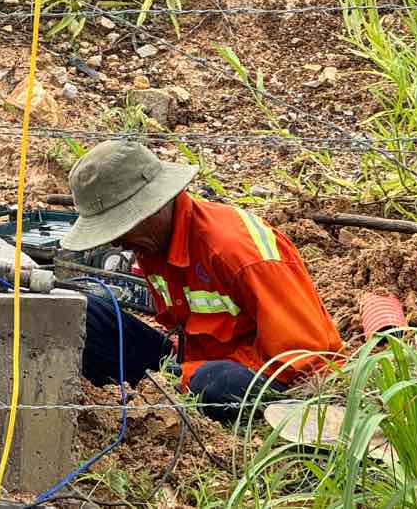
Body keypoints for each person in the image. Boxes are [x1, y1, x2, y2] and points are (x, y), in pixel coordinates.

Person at [60, 140, 342, 424]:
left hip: (264, 380)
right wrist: (179, 373)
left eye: (120, 227)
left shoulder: (238, 252)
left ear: (154, 208)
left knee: (215, 383)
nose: (118, 241)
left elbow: (306, 359)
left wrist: (187, 376)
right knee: (83, 315)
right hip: (191, 367)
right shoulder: (152, 244)